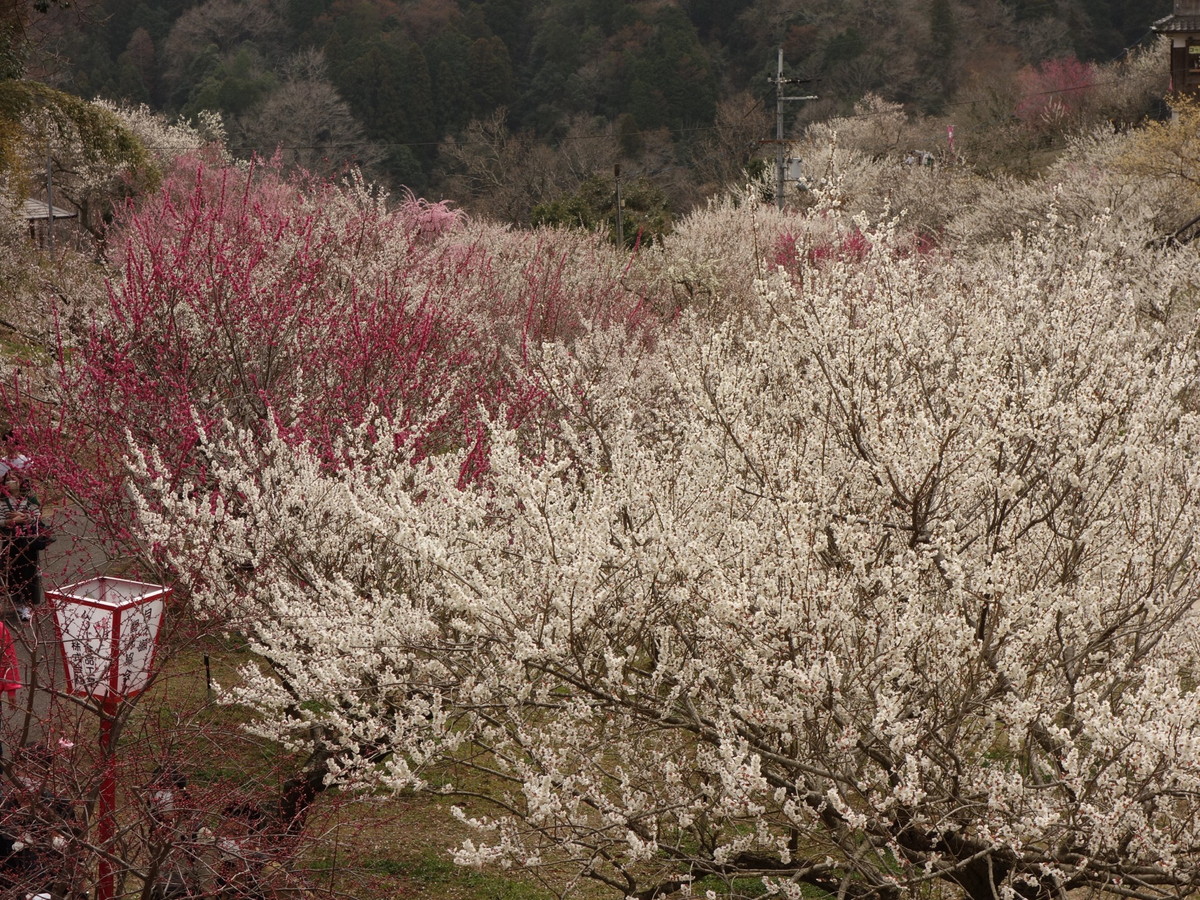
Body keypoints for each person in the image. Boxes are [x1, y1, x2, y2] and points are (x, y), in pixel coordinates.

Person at [0, 473, 44, 623]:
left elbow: (37, 517)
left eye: (14, 479)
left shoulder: (30, 499)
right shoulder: (2, 501)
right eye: (7, 480)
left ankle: (27, 605)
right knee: (11, 572)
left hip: (28, 542)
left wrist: (23, 517)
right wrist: (9, 522)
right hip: (10, 542)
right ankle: (17, 603)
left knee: (28, 572)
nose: (11, 482)